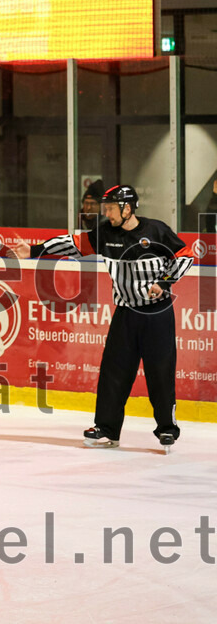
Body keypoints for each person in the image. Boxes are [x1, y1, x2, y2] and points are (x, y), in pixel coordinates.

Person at [10, 185, 195, 453]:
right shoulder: (106, 234)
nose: (105, 213)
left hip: (157, 315)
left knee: (160, 373)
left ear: (127, 208)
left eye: (110, 208)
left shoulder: (157, 231)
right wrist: (35, 250)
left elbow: (185, 255)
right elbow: (74, 244)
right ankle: (107, 428)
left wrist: (165, 282)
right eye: (105, 207)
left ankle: (167, 428)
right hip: (125, 314)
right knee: (114, 372)